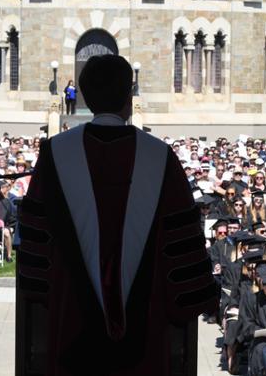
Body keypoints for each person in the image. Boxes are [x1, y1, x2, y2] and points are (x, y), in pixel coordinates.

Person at [18, 54, 218, 375]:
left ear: (84, 95)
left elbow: (34, 248)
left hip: (72, 320)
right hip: (145, 328)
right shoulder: (160, 158)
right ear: (130, 97)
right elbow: (184, 249)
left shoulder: (55, 154)